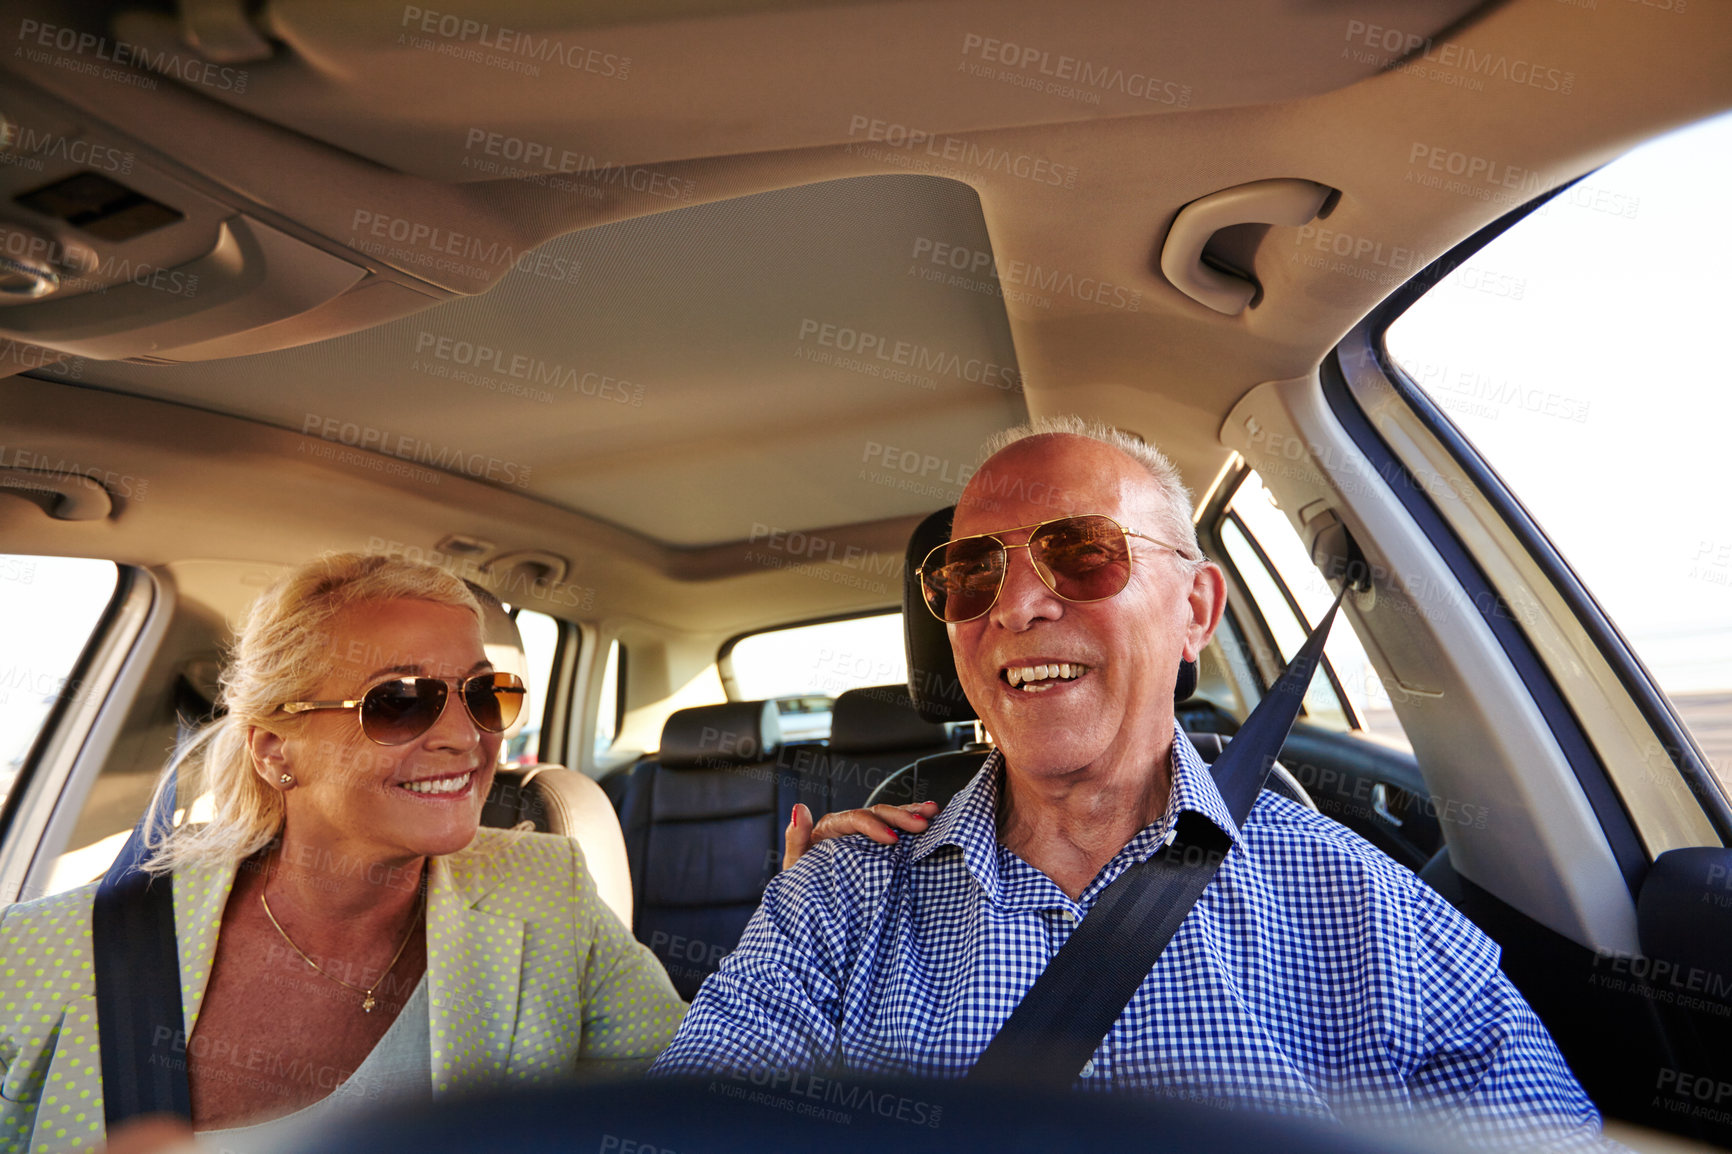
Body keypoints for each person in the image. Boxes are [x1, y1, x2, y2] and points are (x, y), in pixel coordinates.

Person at [653, 417, 1610, 1150]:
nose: (1020, 604)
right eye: (972, 574)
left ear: (1196, 609)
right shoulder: (840, 898)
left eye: (1081, 553)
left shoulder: (1368, 916)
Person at [0, 553, 879, 1153]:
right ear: (275, 749)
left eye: (485, 696)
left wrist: (806, 918)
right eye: (401, 702)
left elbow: (701, 1105)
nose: (466, 737)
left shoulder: (545, 889)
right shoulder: (44, 953)